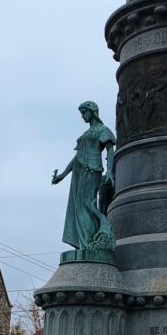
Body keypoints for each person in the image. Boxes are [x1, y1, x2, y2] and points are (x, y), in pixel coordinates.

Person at [52, 102, 116, 252]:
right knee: (80, 206)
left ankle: (88, 243)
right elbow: (77, 157)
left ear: (92, 112)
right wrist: (62, 175)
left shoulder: (103, 130)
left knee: (86, 206)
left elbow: (110, 151)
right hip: (80, 171)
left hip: (92, 169)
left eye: (83, 112)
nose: (82, 116)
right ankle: (85, 243)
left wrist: (110, 172)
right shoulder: (87, 134)